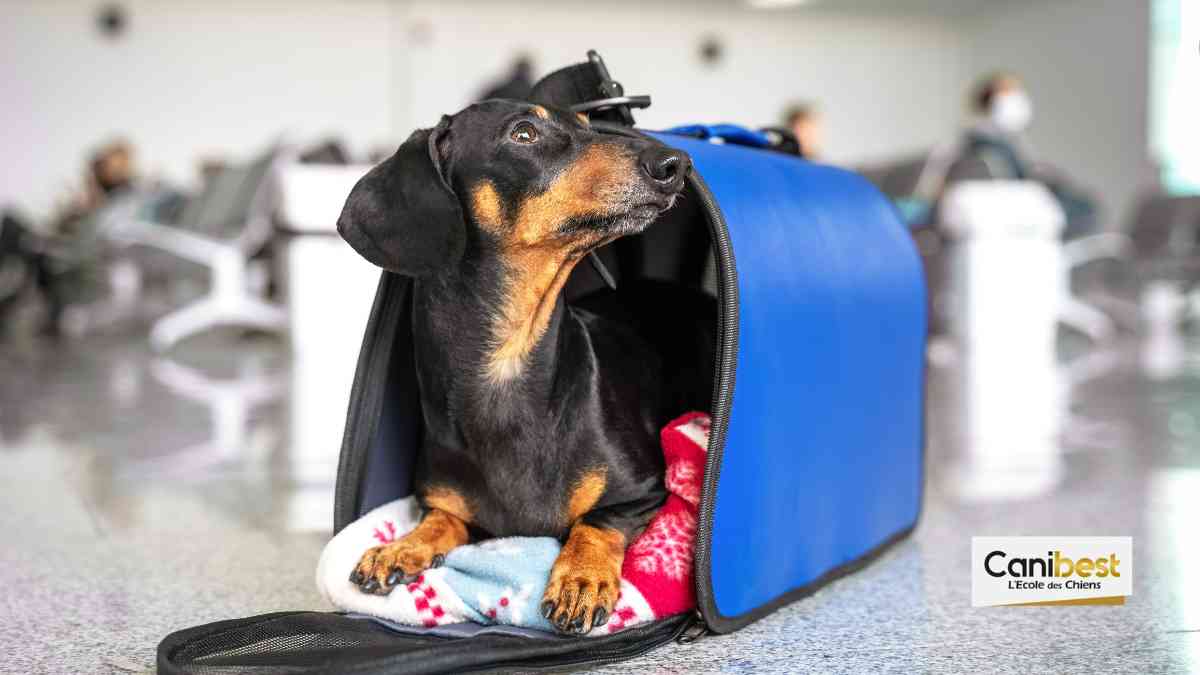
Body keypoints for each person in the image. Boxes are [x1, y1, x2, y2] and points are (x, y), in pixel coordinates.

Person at [945, 73, 1097, 238]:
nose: (1019, 99)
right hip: (1017, 212)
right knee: (1082, 209)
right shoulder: (985, 146)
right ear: (993, 101)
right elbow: (1008, 185)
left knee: (1083, 205)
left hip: (1028, 207)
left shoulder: (1003, 141)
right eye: (1010, 93)